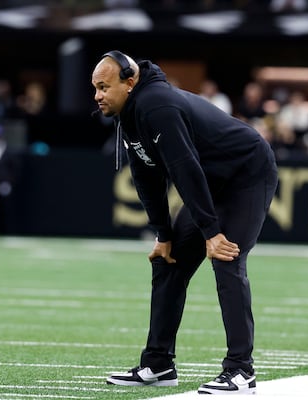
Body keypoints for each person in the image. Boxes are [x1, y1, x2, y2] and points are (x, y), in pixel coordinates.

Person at [91, 50, 278, 395]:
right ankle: (158, 363)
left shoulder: (156, 106)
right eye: (95, 88)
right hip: (210, 181)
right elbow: (146, 177)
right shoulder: (130, 113)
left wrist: (212, 232)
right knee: (169, 260)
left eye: (104, 87)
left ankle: (241, 371)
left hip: (245, 173)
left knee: (226, 257)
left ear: (129, 82)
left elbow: (184, 169)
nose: (98, 96)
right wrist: (163, 233)